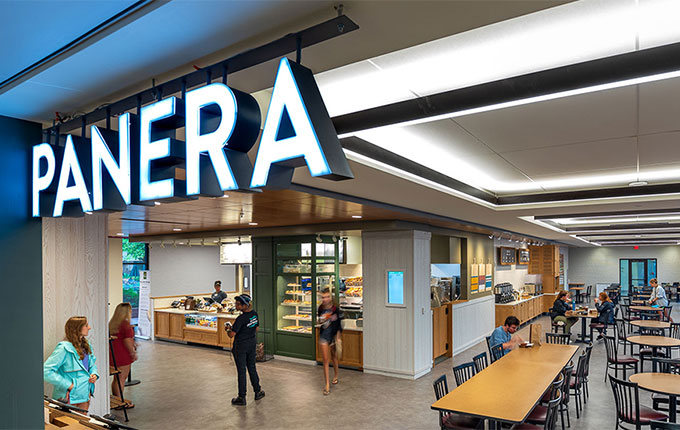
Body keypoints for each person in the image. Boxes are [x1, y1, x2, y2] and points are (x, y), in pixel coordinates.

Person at [44, 316, 99, 411]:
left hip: (85, 394)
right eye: (86, 325)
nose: (89, 327)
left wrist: (94, 374)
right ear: (77, 329)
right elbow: (46, 371)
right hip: (68, 397)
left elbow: (92, 365)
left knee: (82, 423)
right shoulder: (63, 348)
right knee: (70, 425)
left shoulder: (86, 345)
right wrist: (69, 385)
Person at [225, 294, 264, 405]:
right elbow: (256, 328)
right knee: (252, 368)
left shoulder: (240, 319)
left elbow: (231, 335)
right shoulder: (254, 314)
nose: (236, 306)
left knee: (241, 372)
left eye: (238, 304)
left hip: (240, 347)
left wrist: (227, 329)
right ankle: (258, 391)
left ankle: (242, 397)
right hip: (251, 344)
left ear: (245, 305)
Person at [109, 303, 137, 408]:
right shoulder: (125, 325)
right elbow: (127, 341)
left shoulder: (112, 323)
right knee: (122, 378)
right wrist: (133, 352)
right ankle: (120, 402)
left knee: (116, 379)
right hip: (123, 355)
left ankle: (117, 399)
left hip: (113, 354)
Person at [318, 288, 342, 395]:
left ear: (330, 297)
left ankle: (336, 374)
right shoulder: (320, 308)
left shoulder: (335, 309)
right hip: (324, 336)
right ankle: (327, 384)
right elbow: (318, 321)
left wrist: (338, 337)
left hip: (333, 336)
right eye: (323, 297)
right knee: (325, 360)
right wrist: (321, 320)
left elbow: (339, 325)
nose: (325, 299)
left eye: (327, 297)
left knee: (334, 356)